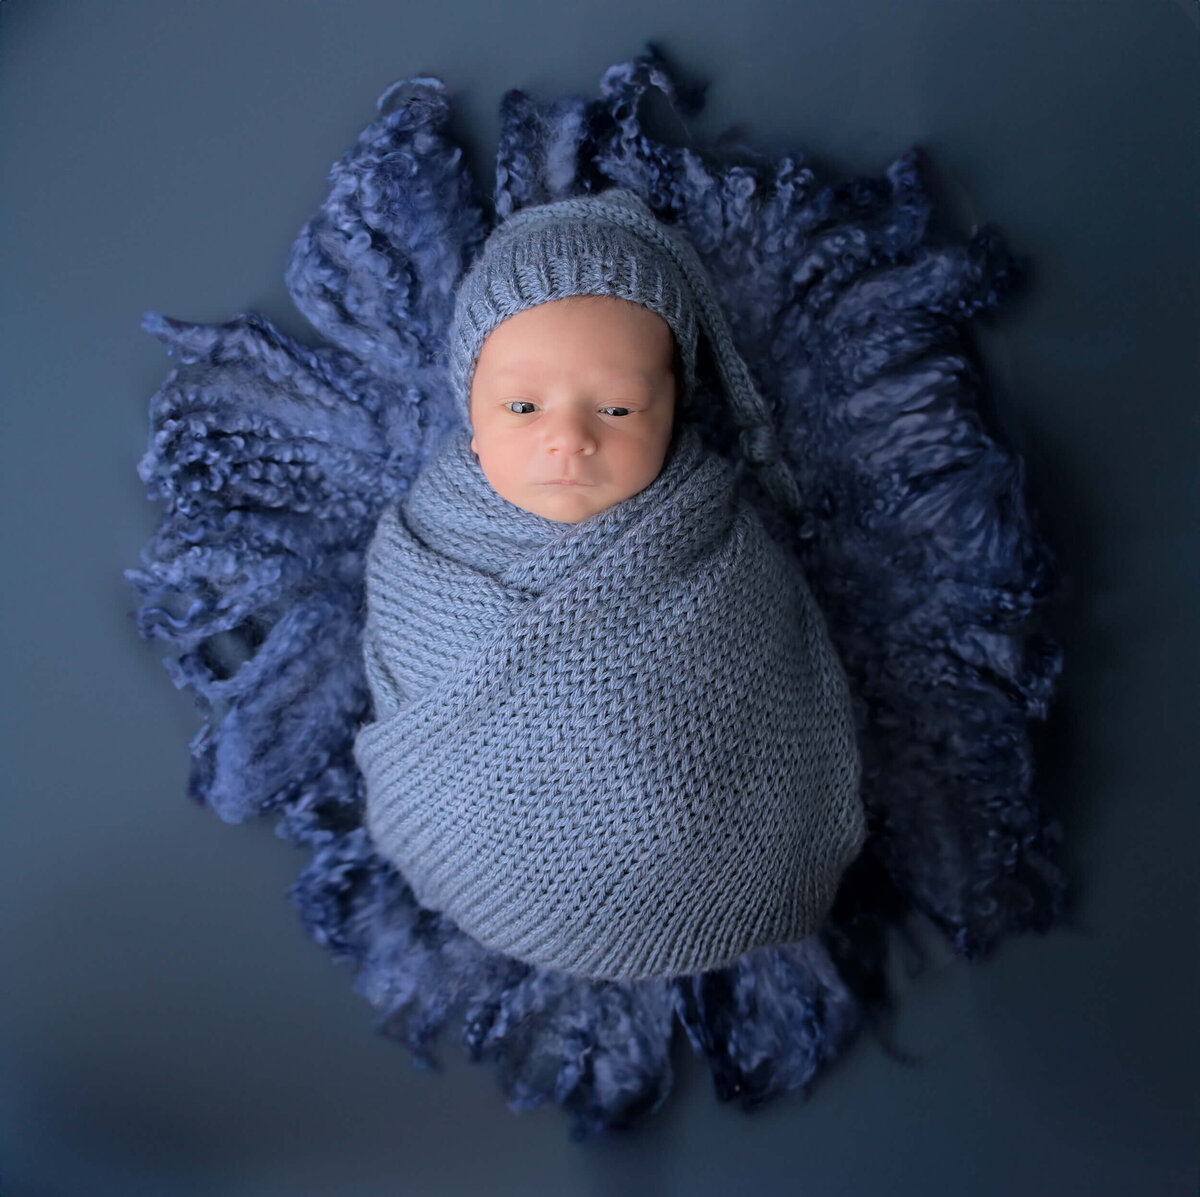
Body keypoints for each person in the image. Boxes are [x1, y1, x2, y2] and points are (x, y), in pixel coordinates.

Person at [352, 189, 867, 981]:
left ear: (675, 412)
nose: (569, 438)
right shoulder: (426, 542)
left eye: (619, 406)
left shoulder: (717, 544)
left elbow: (775, 697)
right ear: (470, 406)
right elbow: (400, 667)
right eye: (522, 405)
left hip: (705, 861)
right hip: (472, 847)